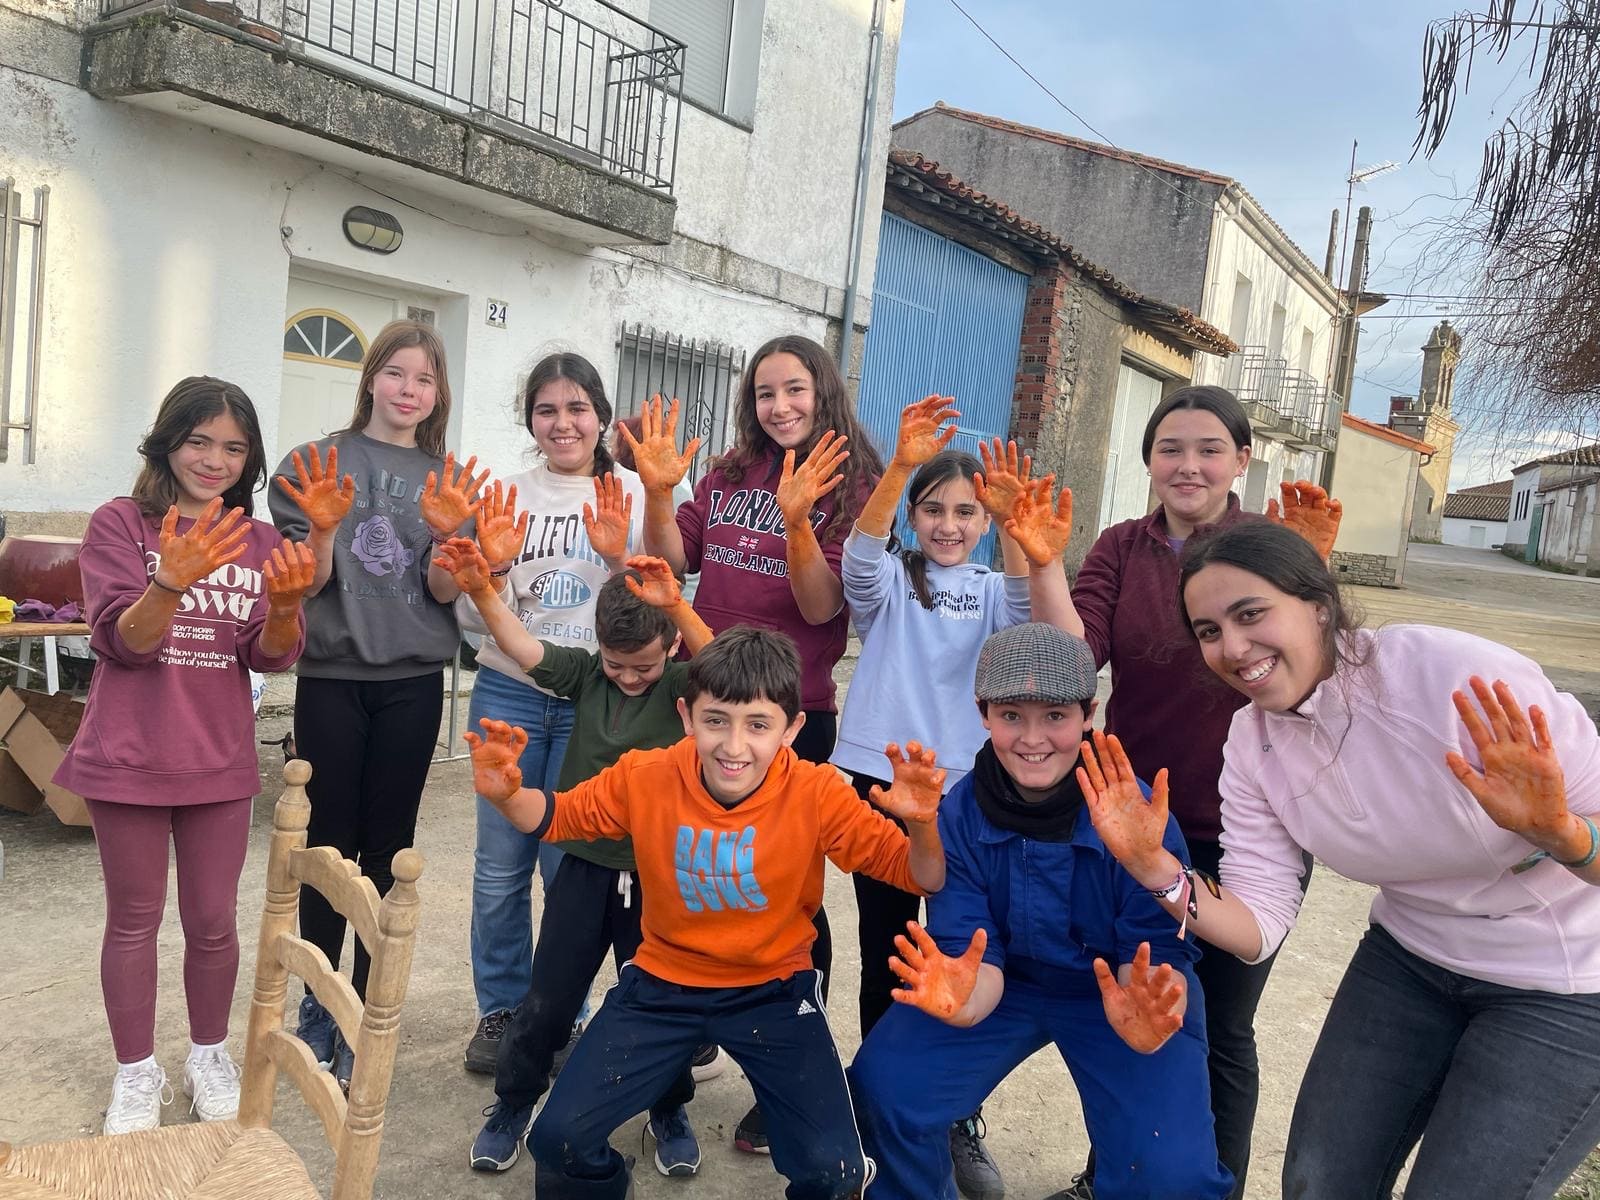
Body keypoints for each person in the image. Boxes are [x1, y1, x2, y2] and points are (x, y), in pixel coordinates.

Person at [1080, 520, 1600, 1200]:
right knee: (1320, 1183)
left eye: (1250, 614)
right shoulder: (1252, 744)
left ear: (1319, 604)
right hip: (1410, 959)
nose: (1233, 648)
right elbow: (1258, 925)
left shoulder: (1450, 677)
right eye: (1209, 631)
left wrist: (1564, 834)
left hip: (1565, 982)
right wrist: (1156, 871)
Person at [465, 625, 947, 1199]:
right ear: (687, 717)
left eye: (758, 725)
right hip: (661, 985)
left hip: (774, 989)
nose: (734, 746)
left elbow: (920, 875)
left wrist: (921, 825)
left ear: (792, 730)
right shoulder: (647, 776)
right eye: (715, 720)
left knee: (834, 1170)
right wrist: (505, 794)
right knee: (558, 1139)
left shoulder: (817, 791)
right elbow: (556, 816)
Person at [1055, 384, 1341, 1200]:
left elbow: (1309, 669)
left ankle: (1215, 1186)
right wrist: (1042, 560)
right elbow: (1078, 660)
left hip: (1256, 828)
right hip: (1139, 826)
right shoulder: (1119, 547)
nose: (1188, 465)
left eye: (1209, 449)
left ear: (1242, 460)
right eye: (1169, 449)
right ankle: (1114, 1174)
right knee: (1134, 1009)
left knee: (1221, 1027)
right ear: (1147, 461)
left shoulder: (1269, 546)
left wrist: (1308, 574)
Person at [849, 621, 1233, 1200]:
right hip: (1008, 986)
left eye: (1055, 715)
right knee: (884, 1087)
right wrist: (961, 1003)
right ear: (982, 713)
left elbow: (1153, 952)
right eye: (1011, 715)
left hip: (1122, 996)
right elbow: (975, 955)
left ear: (1089, 713)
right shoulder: (958, 812)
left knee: (1170, 1172)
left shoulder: (1137, 815)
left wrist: (1148, 1016)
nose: (1033, 739)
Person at [630, 334, 884, 1153]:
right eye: (766, 392)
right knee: (690, 870)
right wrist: (660, 494)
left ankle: (788, 1079)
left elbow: (820, 610)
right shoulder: (733, 472)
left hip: (789, 718)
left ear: (825, 393)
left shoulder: (855, 486)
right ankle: (685, 1029)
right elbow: (674, 558)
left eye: (796, 390)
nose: (780, 406)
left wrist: (801, 519)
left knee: (790, 897)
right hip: (706, 704)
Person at [833, 396, 1077, 1197]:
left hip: (968, 790)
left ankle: (956, 1112)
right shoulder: (890, 586)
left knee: (965, 948)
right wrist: (900, 462)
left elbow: (1020, 616)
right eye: (933, 509)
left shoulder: (988, 583)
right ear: (912, 512)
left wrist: (1013, 527)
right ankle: (883, 1101)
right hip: (882, 780)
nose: (947, 523)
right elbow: (859, 558)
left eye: (966, 511)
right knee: (890, 946)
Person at [55, 377, 310, 1134]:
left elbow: (266, 656)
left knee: (212, 922)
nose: (214, 459)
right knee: (132, 921)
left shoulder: (257, 541)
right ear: (168, 440)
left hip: (217, 759)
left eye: (234, 447)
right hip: (126, 755)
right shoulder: (118, 524)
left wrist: (289, 606)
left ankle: (208, 1054)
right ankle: (136, 1072)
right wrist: (169, 578)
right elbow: (123, 644)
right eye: (200, 440)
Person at [438, 522, 712, 1177]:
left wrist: (678, 605)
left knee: (660, 998)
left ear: (669, 647)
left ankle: (669, 1108)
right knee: (549, 998)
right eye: (617, 664)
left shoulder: (682, 685)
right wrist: (482, 593)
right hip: (584, 869)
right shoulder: (588, 676)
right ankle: (514, 1103)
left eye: (643, 665)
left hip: (657, 877)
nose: (627, 677)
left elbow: (723, 660)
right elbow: (522, 646)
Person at [269, 319, 484, 1090]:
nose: (408, 390)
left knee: (389, 847)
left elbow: (438, 590)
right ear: (371, 379)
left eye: (424, 380)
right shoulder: (311, 462)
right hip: (331, 675)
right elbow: (312, 579)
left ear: (438, 395)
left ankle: (364, 1004)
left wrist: (456, 543)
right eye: (396, 374)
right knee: (326, 844)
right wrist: (325, 526)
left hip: (412, 682)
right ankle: (319, 1003)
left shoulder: (448, 477)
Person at [456, 352, 650, 1076]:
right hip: (510, 689)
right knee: (499, 865)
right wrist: (495, 571)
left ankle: (557, 1008)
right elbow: (471, 610)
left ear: (600, 413)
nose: (562, 423)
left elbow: (662, 595)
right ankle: (503, 1009)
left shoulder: (635, 491)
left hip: (596, 696)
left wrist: (620, 557)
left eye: (576, 408)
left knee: (570, 864)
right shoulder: (506, 493)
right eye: (546, 410)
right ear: (530, 419)